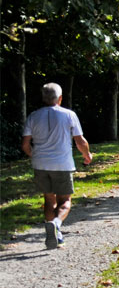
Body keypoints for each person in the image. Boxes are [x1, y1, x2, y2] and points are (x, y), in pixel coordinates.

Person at [21, 83, 92, 249]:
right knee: (65, 200)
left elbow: (25, 144)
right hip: (62, 164)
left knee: (49, 199)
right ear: (60, 98)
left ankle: (56, 235)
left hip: (40, 165)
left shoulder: (33, 116)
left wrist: (34, 155)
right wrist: (87, 155)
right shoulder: (69, 115)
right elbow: (80, 141)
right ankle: (56, 224)